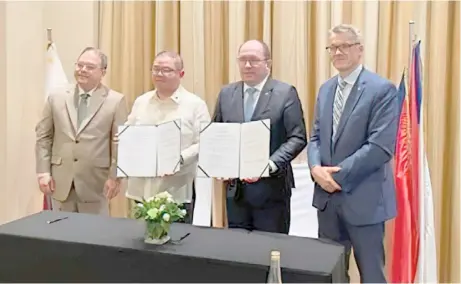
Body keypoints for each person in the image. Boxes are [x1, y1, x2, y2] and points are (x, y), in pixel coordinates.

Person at [307, 24, 399, 283]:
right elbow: (314, 137)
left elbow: (380, 147)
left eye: (344, 46)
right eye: (333, 47)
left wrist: (336, 176)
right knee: (330, 275)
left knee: (371, 275)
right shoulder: (325, 90)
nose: (337, 52)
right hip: (327, 202)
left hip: (364, 200)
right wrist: (315, 169)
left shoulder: (382, 90)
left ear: (359, 50)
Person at [213, 40, 307, 234]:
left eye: (254, 60)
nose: (247, 65)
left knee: (271, 251)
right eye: (243, 60)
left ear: (268, 63)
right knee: (239, 253)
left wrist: (270, 165)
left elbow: (297, 137)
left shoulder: (285, 93)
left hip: (271, 191)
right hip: (235, 191)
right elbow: (217, 133)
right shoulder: (226, 94)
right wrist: (220, 164)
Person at [35, 47, 128, 215]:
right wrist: (43, 172)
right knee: (59, 237)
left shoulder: (115, 101)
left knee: (93, 237)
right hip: (60, 182)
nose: (83, 70)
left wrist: (115, 177)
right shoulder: (56, 96)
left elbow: (119, 142)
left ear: (103, 71)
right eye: (80, 65)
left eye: (90, 67)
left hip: (95, 184)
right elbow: (44, 136)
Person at [123, 51, 210, 223]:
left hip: (176, 189)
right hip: (142, 187)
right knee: (141, 242)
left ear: (181, 74)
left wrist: (180, 158)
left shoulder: (195, 105)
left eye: (166, 70)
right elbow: (129, 131)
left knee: (175, 243)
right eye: (156, 69)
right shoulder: (142, 101)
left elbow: (205, 141)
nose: (159, 74)